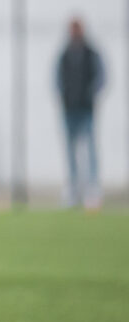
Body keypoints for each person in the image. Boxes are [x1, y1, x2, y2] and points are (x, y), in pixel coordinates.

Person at [56, 17, 105, 209]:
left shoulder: (91, 53)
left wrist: (90, 94)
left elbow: (101, 76)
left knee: (90, 148)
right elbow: (57, 79)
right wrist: (64, 96)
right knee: (70, 150)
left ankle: (92, 189)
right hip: (69, 109)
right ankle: (73, 188)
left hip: (86, 108)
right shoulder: (64, 54)